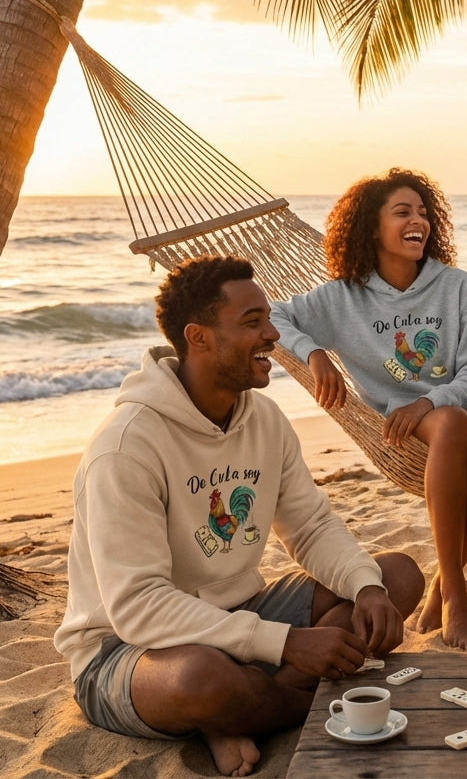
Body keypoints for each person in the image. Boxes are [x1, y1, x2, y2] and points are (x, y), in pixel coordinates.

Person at [54, 255, 424, 778]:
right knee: (200, 681)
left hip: (240, 611)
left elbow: (312, 527)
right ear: (199, 338)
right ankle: (245, 708)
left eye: (268, 319)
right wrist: (286, 644)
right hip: (126, 650)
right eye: (252, 322)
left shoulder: (264, 420)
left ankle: (241, 710)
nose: (273, 334)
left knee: (396, 577)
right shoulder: (126, 447)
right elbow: (137, 607)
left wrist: (365, 587)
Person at [270, 167, 467, 651]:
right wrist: (314, 354)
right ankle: (455, 596)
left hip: (463, 414)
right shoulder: (343, 297)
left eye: (423, 212)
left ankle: (444, 585)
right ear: (371, 228)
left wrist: (429, 401)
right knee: (454, 423)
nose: (418, 220)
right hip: (399, 425)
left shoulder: (456, 287)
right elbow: (272, 315)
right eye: (403, 212)